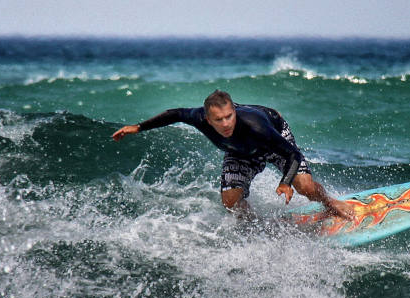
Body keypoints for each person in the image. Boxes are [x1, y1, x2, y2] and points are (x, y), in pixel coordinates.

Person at [112, 90, 354, 220]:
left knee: (304, 185)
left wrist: (285, 182)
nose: (226, 123)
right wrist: (139, 127)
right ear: (207, 119)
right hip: (239, 152)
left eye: (230, 116)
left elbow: (293, 155)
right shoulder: (199, 118)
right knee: (230, 202)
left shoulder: (256, 125)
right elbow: (174, 113)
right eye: (219, 119)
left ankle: (330, 204)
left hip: (271, 140)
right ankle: (256, 225)